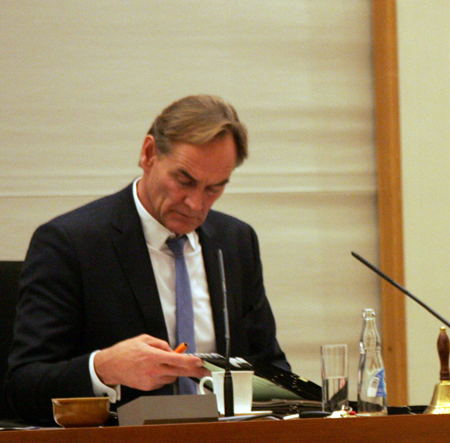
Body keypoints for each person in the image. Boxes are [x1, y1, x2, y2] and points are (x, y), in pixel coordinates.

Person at [3, 94, 289, 425]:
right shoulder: (71, 243)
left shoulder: (235, 241)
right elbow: (22, 388)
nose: (196, 204)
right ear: (149, 153)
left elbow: (270, 367)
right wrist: (103, 369)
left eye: (214, 188)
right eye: (184, 180)